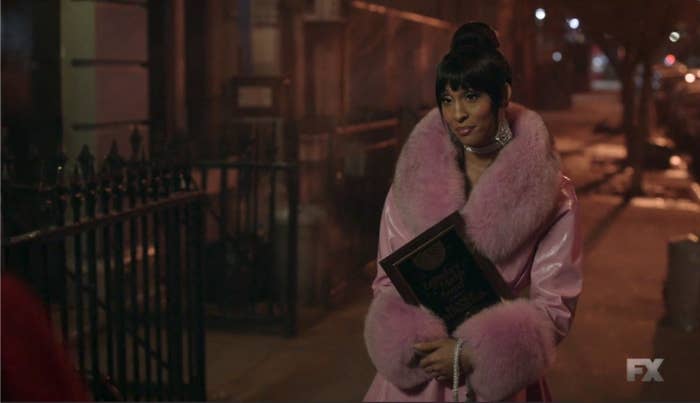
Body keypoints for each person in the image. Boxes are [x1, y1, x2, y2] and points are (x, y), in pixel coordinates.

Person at [363, 22, 582, 402]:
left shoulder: (554, 195)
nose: (457, 114)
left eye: (471, 96)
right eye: (447, 100)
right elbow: (387, 282)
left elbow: (555, 305)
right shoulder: (412, 184)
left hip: (494, 379)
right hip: (418, 377)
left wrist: (473, 354)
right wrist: (418, 343)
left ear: (503, 95)